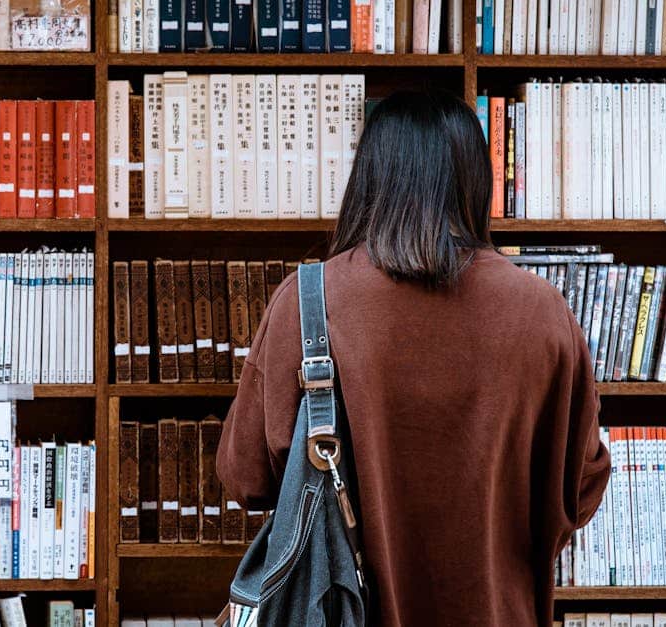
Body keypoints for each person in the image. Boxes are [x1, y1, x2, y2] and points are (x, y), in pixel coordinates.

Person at [216, 89, 611, 626]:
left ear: (369, 180)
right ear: (476, 181)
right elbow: (581, 492)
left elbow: (246, 478)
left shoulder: (309, 302)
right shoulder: (542, 313)